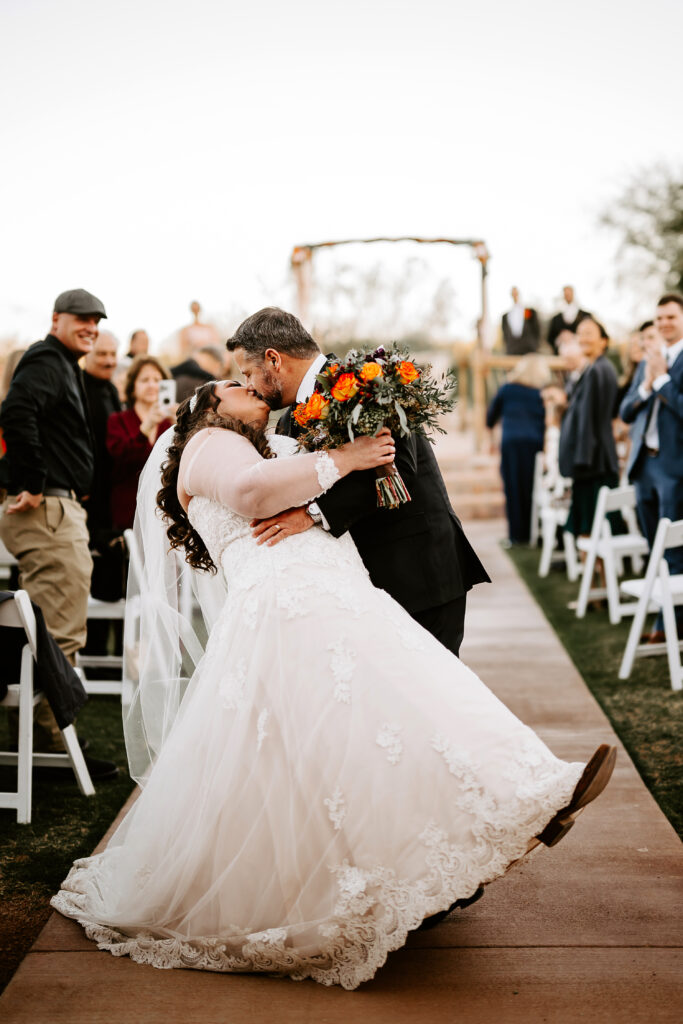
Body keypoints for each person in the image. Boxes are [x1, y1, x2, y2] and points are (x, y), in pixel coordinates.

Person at [52, 379, 617, 989]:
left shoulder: (264, 442)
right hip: (289, 609)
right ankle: (513, 801)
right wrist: (348, 457)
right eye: (238, 385)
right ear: (209, 406)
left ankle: (524, 795)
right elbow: (248, 492)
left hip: (329, 597)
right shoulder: (206, 442)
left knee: (397, 718)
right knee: (375, 729)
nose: (253, 387)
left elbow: (297, 487)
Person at [227, 307, 490, 657]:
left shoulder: (366, 380)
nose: (249, 386)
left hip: (419, 572)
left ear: (274, 360)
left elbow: (401, 469)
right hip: (359, 588)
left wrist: (311, 514)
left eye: (248, 373)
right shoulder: (288, 423)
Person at [0, 288, 117, 779]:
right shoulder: (47, 358)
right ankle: (49, 746)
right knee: (59, 634)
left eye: (96, 320)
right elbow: (16, 412)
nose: (90, 326)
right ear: (57, 319)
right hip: (48, 510)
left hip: (57, 508)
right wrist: (31, 480)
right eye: (81, 319)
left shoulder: (63, 362)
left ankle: (44, 741)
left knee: (53, 629)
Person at [619, 294, 683, 642]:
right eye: (659, 319)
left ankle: (665, 626)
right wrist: (647, 384)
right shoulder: (649, 361)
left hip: (675, 469)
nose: (664, 324)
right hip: (645, 466)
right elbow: (627, 411)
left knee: (672, 549)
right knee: (651, 546)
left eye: (671, 317)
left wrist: (662, 382)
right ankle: (669, 620)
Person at [559, 317, 619, 537]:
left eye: (589, 333)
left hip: (594, 462)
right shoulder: (594, 369)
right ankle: (593, 570)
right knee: (590, 526)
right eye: (580, 334)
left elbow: (590, 421)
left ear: (603, 341)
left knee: (594, 528)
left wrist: (582, 460)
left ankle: (596, 571)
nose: (582, 338)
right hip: (593, 459)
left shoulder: (599, 370)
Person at [486, 354, 551, 545]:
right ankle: (536, 532)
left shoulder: (507, 388)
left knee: (513, 488)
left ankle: (517, 536)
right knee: (534, 487)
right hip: (536, 443)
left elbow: (490, 417)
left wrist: (491, 440)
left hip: (511, 443)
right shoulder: (541, 392)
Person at [106, 356, 174, 532]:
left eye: (157, 380)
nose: (152, 385)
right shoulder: (118, 420)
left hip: (163, 513)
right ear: (133, 386)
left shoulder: (169, 424)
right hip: (129, 510)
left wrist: (181, 426)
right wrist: (146, 428)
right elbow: (120, 457)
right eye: (144, 380)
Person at [547, 286, 590, 354]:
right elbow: (550, 338)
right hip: (561, 355)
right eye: (565, 294)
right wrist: (560, 338)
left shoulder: (585, 316)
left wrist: (574, 337)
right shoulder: (556, 318)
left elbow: (589, 335)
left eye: (569, 293)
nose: (567, 296)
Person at [501, 287, 541, 355]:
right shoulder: (505, 316)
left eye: (516, 293)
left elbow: (536, 329)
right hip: (512, 351)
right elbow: (505, 335)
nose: (515, 296)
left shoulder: (529, 311)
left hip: (529, 350)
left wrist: (535, 345)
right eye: (513, 294)